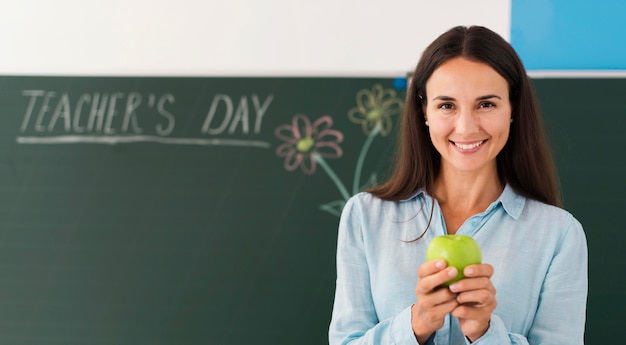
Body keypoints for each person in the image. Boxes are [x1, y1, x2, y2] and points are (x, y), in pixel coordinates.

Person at [328, 25, 587, 345]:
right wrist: (417, 323)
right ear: (424, 110)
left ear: (513, 109)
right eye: (446, 105)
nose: (465, 128)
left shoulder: (558, 234)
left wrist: (484, 332)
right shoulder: (365, 217)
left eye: (486, 104)